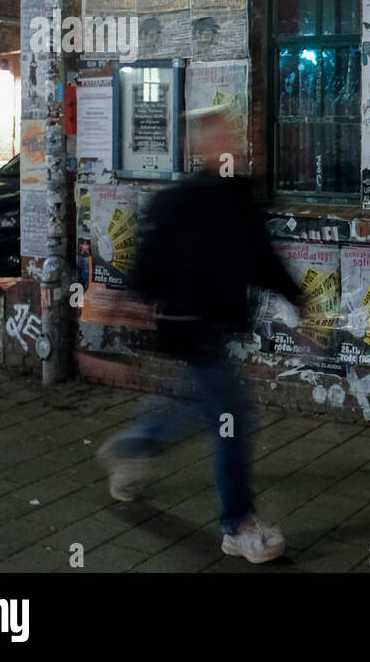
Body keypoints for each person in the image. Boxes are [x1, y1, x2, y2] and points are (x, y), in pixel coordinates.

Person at [97, 106, 304, 564]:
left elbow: (261, 257)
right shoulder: (177, 201)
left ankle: (135, 444)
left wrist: (296, 297)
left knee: (203, 406)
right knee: (233, 419)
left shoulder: (238, 196)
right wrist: (125, 303)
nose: (228, 143)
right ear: (201, 147)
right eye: (218, 136)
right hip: (186, 327)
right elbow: (148, 262)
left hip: (218, 323)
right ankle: (237, 524)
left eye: (231, 135)